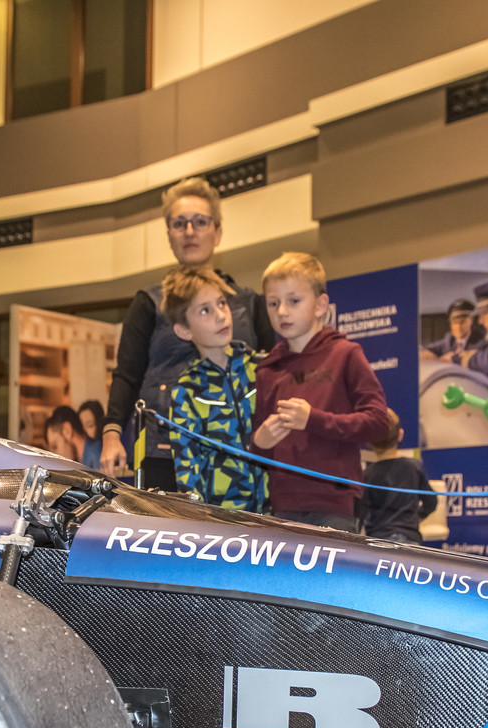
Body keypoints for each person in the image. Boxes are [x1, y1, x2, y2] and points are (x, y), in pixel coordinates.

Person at [100, 177, 273, 487]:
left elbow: (273, 373)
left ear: (218, 231)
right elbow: (127, 375)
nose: (190, 231)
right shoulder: (148, 303)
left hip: (238, 452)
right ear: (169, 235)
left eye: (200, 222)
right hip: (162, 452)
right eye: (179, 224)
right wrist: (112, 434)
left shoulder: (249, 303)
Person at [253, 252, 388, 532]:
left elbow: (378, 422)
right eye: (273, 303)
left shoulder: (346, 354)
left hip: (335, 504)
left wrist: (312, 419)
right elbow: (260, 447)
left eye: (294, 301)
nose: (282, 311)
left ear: (320, 304)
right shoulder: (268, 368)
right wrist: (259, 442)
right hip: (282, 504)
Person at [161, 266, 266, 512]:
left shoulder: (263, 369)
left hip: (278, 515)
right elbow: (187, 474)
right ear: (184, 330)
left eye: (222, 304)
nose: (220, 316)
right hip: (223, 521)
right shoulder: (186, 392)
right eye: (205, 310)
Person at [362, 410, 437, 542]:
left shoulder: (367, 474)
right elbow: (431, 502)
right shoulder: (413, 466)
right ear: (400, 434)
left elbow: (361, 513)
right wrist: (415, 518)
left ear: (370, 441)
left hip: (378, 539)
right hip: (409, 538)